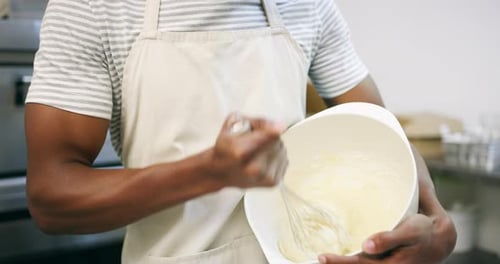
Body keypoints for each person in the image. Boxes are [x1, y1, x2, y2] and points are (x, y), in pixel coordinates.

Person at [25, 0, 456, 263]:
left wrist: (434, 218)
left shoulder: (306, 5)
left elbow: (378, 127)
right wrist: (207, 173)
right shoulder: (92, 8)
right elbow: (51, 198)